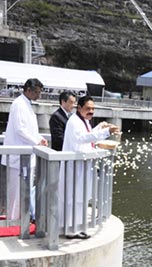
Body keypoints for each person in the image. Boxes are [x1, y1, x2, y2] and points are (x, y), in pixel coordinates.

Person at [60, 95, 119, 238]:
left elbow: (89, 134)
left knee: (81, 197)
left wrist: (100, 127)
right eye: (88, 108)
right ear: (79, 108)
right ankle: (70, 229)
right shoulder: (74, 121)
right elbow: (82, 138)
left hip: (82, 164)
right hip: (74, 165)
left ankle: (77, 227)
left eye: (93, 109)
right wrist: (105, 132)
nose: (91, 111)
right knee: (72, 198)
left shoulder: (84, 121)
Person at [1, 78, 48, 221]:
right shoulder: (18, 104)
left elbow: (30, 129)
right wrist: (37, 142)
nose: (38, 95)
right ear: (28, 90)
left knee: (24, 189)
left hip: (26, 154)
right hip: (18, 155)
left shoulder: (26, 104)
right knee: (16, 190)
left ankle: (20, 216)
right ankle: (13, 218)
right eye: (37, 92)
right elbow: (20, 129)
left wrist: (39, 138)